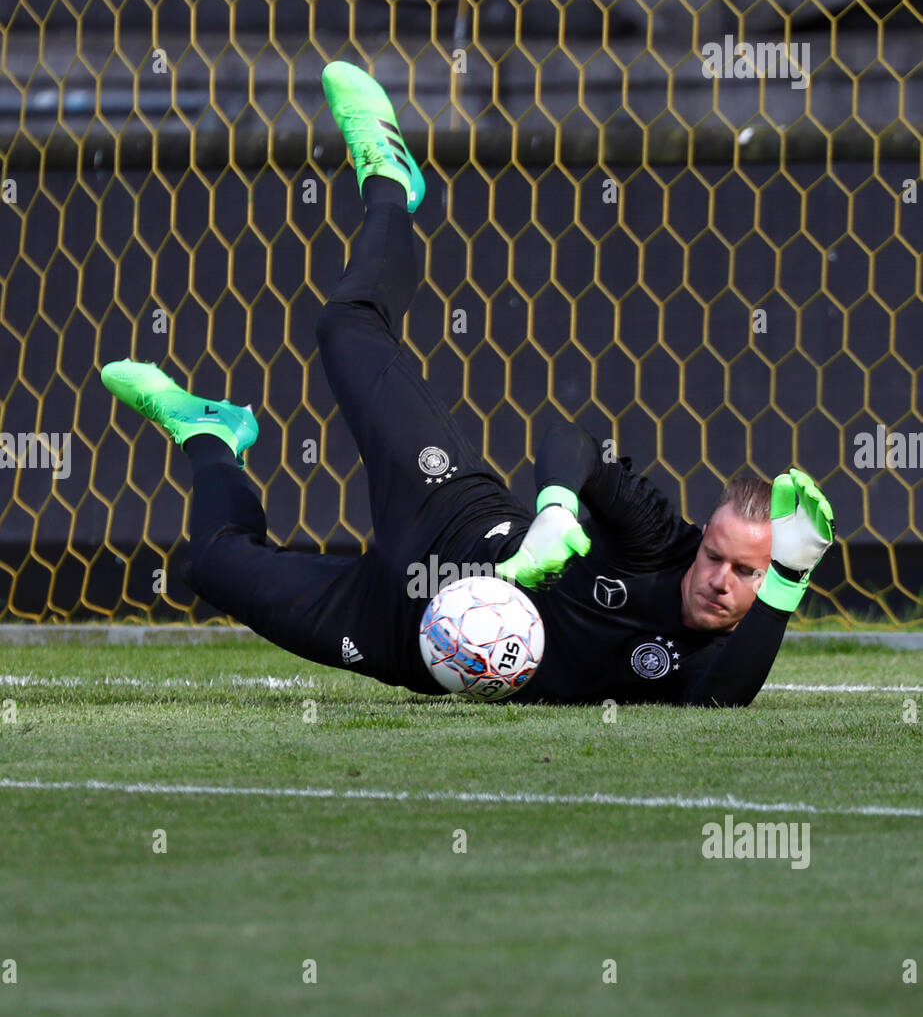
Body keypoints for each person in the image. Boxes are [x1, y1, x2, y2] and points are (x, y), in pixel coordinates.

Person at [100, 61, 834, 708]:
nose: (718, 581)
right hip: (447, 516)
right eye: (716, 556)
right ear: (702, 537)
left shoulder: (720, 655)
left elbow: (719, 703)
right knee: (345, 327)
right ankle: (390, 180)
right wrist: (554, 510)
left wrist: (789, 582)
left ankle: (208, 434)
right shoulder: (653, 544)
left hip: (400, 632)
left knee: (212, 565)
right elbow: (565, 441)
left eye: (746, 572)